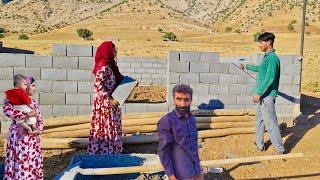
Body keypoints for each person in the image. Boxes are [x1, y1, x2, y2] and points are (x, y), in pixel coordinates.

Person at [240, 32, 285, 154]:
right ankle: (259, 144)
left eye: (261, 42)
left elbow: (270, 78)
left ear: (269, 42)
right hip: (262, 95)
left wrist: (258, 92)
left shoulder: (273, 58)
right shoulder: (267, 57)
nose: (259, 45)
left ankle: (280, 149)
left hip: (266, 95)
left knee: (270, 122)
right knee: (259, 120)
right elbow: (261, 69)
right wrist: (246, 66)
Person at [157, 84, 203, 180]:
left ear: (191, 100)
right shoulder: (167, 121)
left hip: (196, 170)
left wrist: (199, 168)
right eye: (179, 99)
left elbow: (193, 146)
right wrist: (171, 175)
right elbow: (163, 151)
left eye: (186, 100)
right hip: (182, 174)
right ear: (174, 99)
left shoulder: (192, 119)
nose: (182, 104)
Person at [3, 75, 44, 179]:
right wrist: (26, 115)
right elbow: (8, 111)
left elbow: (39, 119)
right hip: (18, 138)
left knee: (31, 161)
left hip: (32, 139)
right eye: (32, 85)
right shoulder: (11, 99)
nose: (34, 88)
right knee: (20, 160)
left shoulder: (33, 103)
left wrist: (39, 131)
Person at [87, 41, 123, 155]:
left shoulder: (110, 65)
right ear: (107, 51)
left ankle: (112, 149)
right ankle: (105, 151)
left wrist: (131, 82)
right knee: (105, 126)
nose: (116, 52)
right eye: (114, 50)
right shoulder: (103, 66)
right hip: (105, 103)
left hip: (112, 101)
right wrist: (109, 99)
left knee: (111, 126)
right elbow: (98, 86)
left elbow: (118, 78)